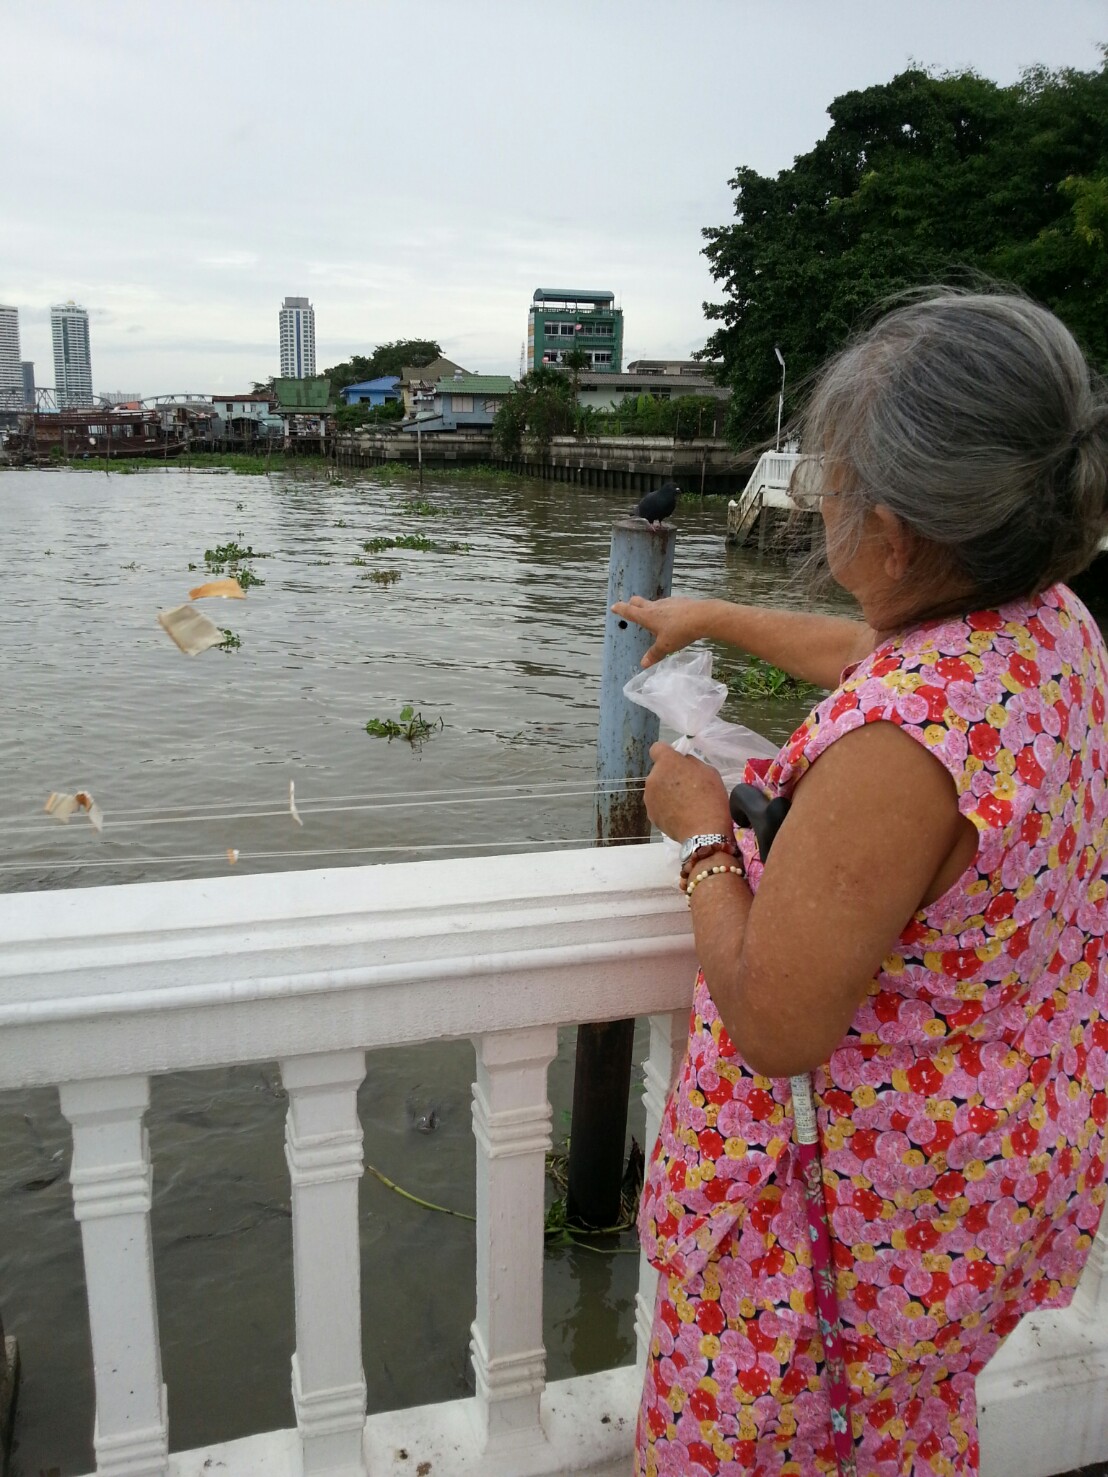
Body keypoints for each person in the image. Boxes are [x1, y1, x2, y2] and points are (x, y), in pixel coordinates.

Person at [613, 290, 1108, 1477]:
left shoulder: (898, 749)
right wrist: (719, 616)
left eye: (829, 483)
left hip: (832, 1234)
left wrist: (699, 832)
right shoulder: (1053, 630)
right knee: (893, 1437)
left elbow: (779, 1021)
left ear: (886, 533)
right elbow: (883, 652)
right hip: (966, 1194)